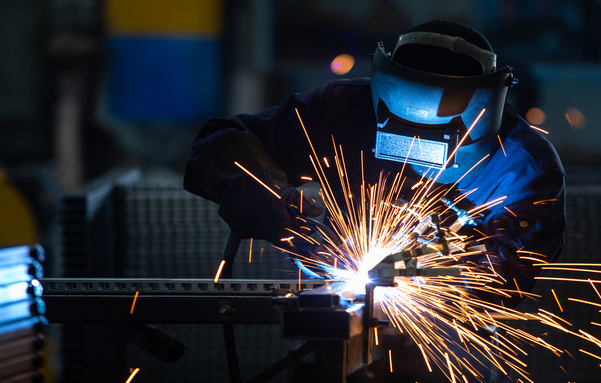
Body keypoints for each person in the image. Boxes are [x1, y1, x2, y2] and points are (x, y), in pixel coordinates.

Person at [184, 20, 565, 381]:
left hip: (451, 348)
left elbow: (507, 273)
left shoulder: (523, 164)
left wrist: (431, 265)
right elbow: (219, 144)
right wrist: (284, 215)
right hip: (335, 325)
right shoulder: (341, 109)